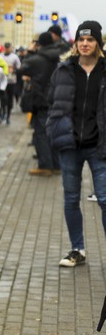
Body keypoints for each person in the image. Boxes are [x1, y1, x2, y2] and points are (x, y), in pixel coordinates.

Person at [47, 21, 106, 268]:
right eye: (81, 40)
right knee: (71, 198)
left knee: (104, 199)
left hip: (99, 145)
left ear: (98, 43)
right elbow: (52, 103)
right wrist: (55, 129)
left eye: (90, 40)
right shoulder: (63, 69)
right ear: (75, 43)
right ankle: (77, 249)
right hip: (70, 144)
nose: (84, 44)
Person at [19, 32, 63, 176]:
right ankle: (56, 165)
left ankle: (45, 166)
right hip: (58, 101)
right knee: (54, 134)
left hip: (41, 101)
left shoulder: (37, 59)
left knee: (41, 134)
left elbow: (22, 69)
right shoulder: (60, 57)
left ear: (40, 44)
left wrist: (30, 51)